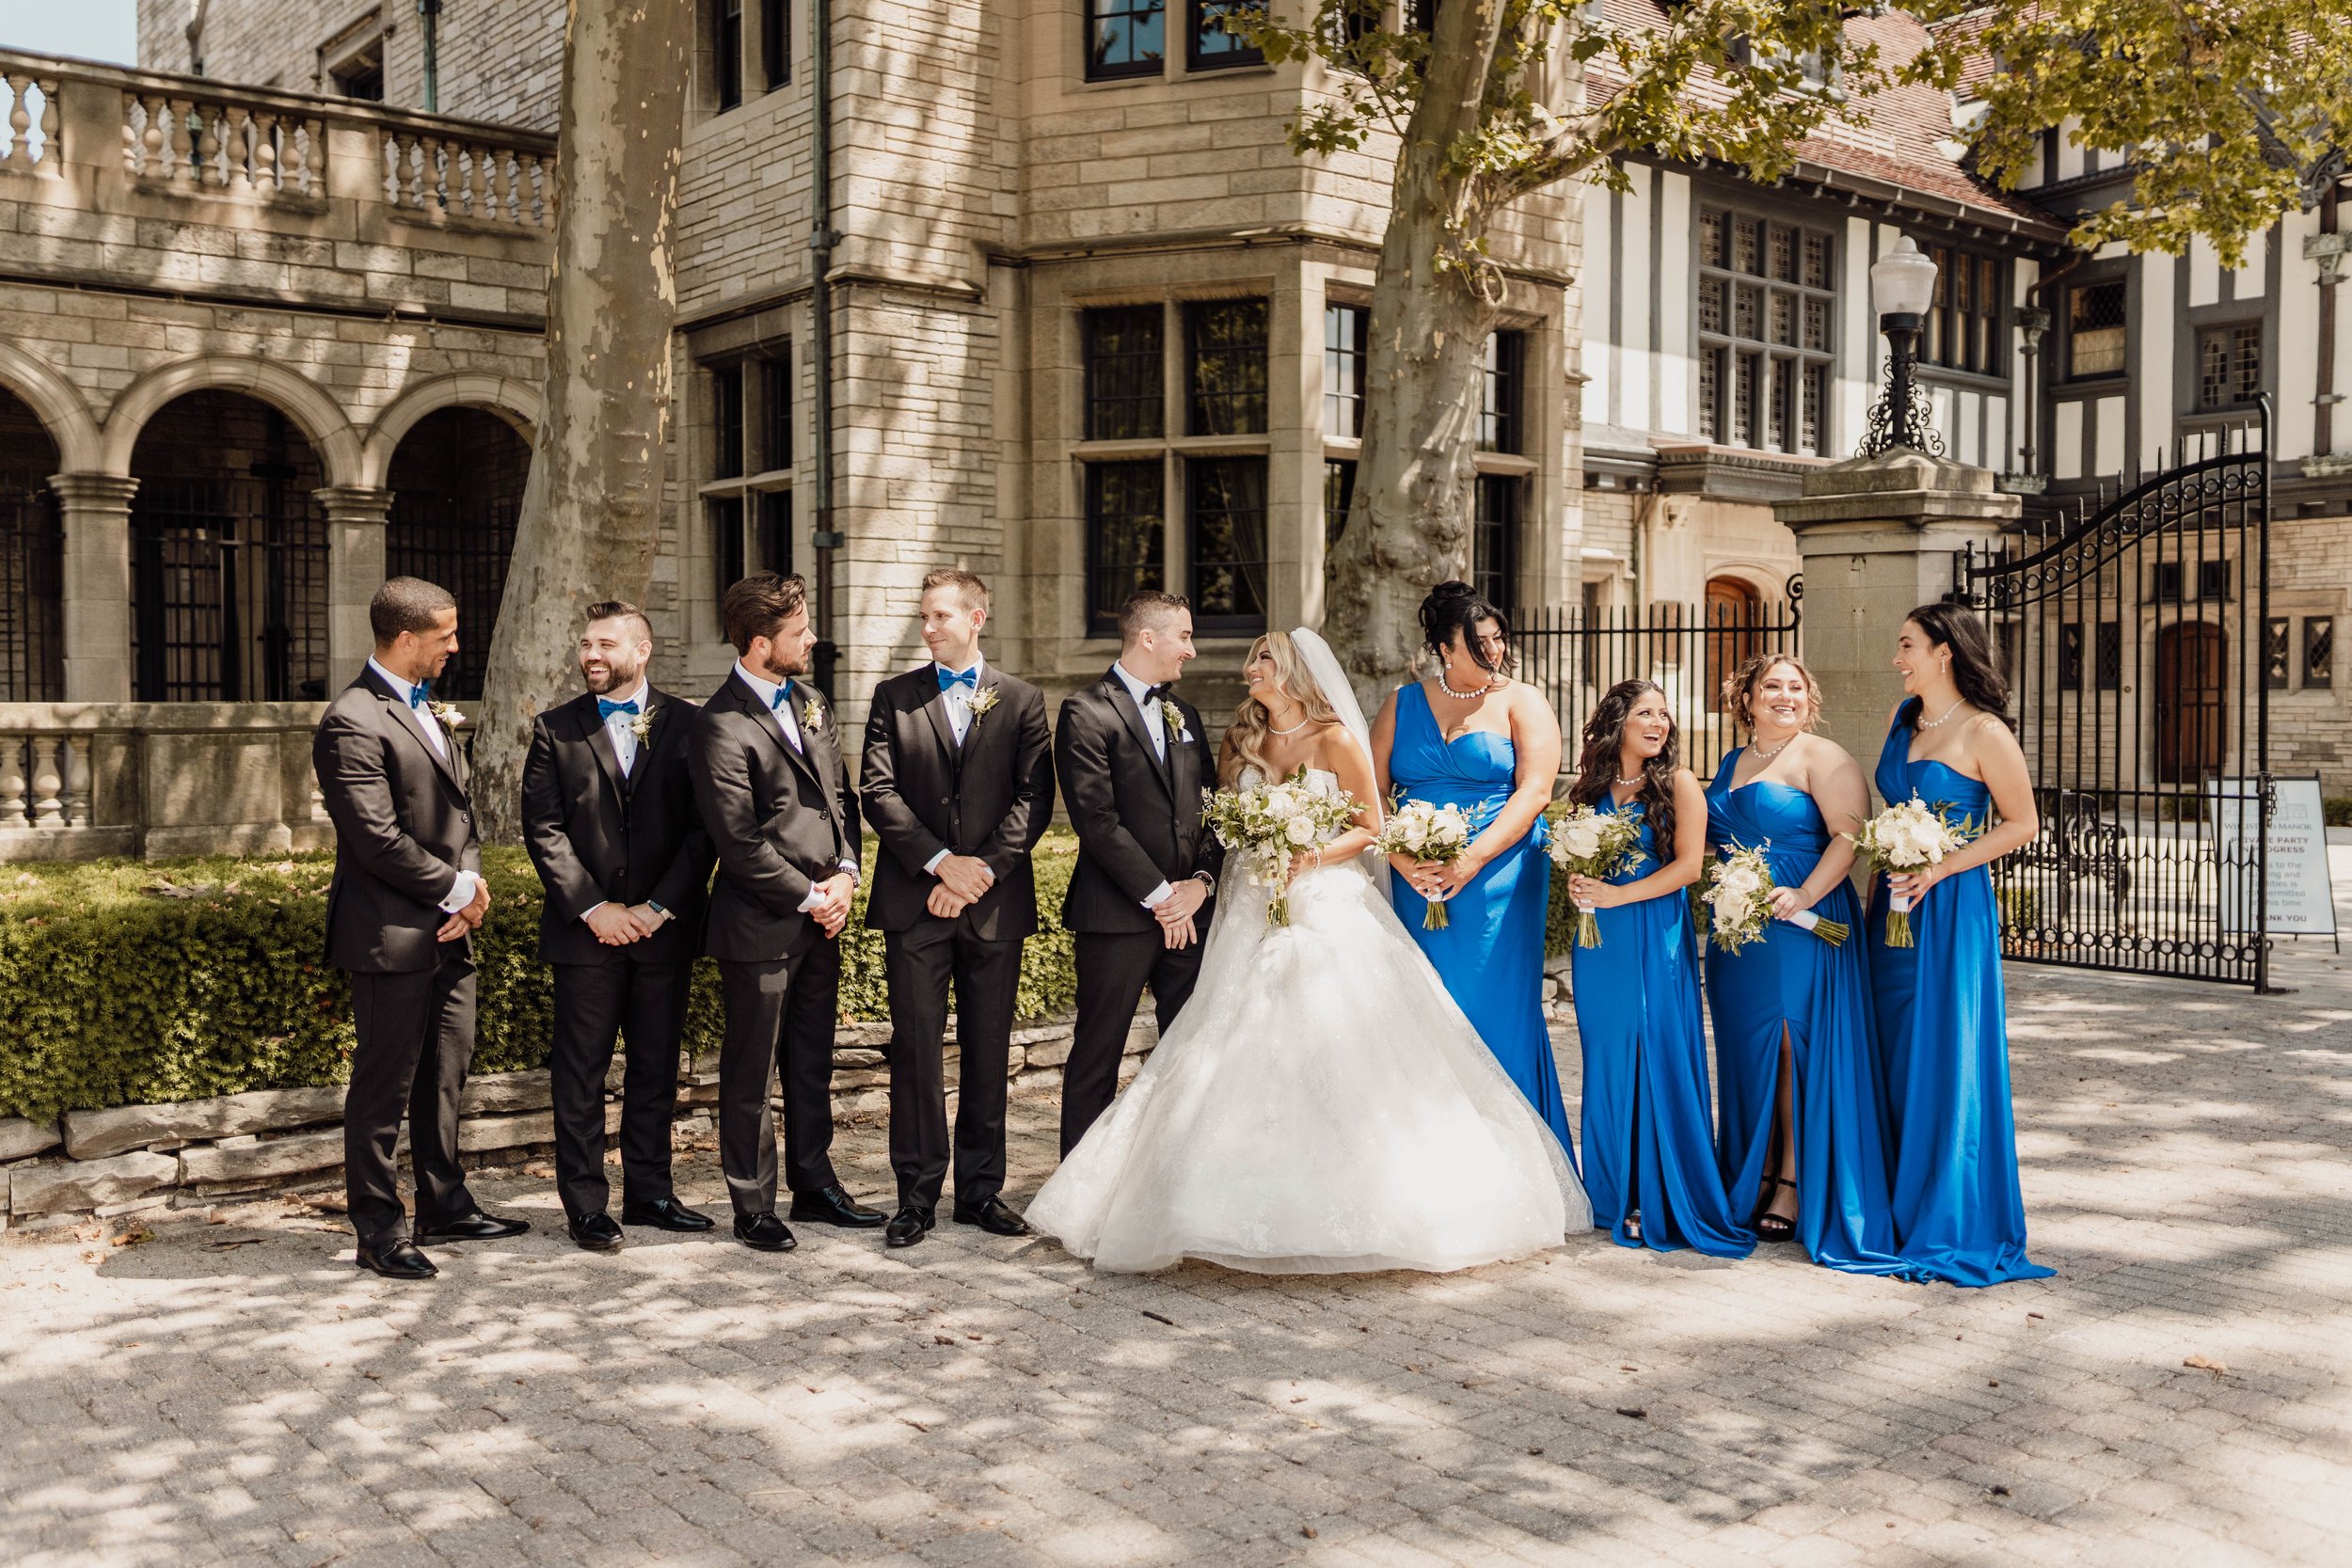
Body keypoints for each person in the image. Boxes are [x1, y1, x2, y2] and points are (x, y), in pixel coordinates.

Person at [1025, 629, 1589, 1274]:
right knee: (1224, 1040)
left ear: (1289, 669)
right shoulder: (1240, 739)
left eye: (1261, 658)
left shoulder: (1335, 739)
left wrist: (1309, 855)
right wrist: (1242, 854)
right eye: (1250, 657)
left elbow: (1369, 827)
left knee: (1335, 1037)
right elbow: (1217, 821)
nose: (1248, 669)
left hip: (1326, 902)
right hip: (1248, 906)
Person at [311, 578, 528, 1281]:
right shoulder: (351, 719)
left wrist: (469, 891)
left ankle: (445, 1202)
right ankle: (378, 1230)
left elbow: (458, 815)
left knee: (445, 1075)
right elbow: (375, 839)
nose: (456, 646)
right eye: (446, 635)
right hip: (390, 934)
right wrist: (456, 886)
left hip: (449, 929)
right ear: (406, 639)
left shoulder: (425, 707)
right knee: (383, 1087)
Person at [859, 568, 1056, 1249]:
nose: (929, 627)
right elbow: (877, 792)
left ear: (978, 617)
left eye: (941, 615)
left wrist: (979, 873)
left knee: (987, 1047)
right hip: (916, 902)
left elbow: (1035, 801)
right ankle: (915, 1196)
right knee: (915, 1049)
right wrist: (942, 863)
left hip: (994, 904)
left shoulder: (1024, 700)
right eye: (924, 616)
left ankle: (980, 1192)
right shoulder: (893, 696)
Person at [691, 573, 884, 1252]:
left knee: (812, 1060)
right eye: (799, 632)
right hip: (760, 923)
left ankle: (815, 1183)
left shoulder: (811, 701)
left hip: (822, 915)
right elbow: (738, 841)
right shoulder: (717, 724)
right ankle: (752, 1202)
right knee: (752, 1067)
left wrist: (849, 877)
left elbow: (842, 799)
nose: (811, 639)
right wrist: (809, 894)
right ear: (759, 641)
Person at [519, 601, 717, 1252]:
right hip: (586, 934)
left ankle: (652, 1192)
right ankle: (584, 1204)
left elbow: (704, 828)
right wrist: (593, 907)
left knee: (656, 1068)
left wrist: (659, 907)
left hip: (664, 931)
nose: (590, 655)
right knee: (580, 1073)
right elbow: (543, 829)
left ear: (642, 649)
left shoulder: (691, 725)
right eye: (584, 643)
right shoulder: (555, 729)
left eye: (604, 643)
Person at [1867, 603, 2054, 1287]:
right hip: (1890, 906)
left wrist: (1940, 864)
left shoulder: (1985, 730)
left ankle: (1945, 1213)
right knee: (1892, 1046)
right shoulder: (1903, 720)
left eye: (1907, 645)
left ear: (1944, 651)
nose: (1899, 658)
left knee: (1944, 1048)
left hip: (1951, 905)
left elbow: (2024, 824)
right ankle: (1892, 1201)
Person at [1702, 652, 1905, 1275]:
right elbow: (1714, 835)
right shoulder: (1733, 762)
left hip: (1802, 918)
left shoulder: (1825, 757)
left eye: (1794, 687)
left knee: (1793, 1043)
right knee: (1747, 1046)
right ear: (1749, 696)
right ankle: (1754, 1167)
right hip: (1740, 927)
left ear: (1809, 698)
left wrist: (1805, 895)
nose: (1783, 696)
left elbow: (1850, 836)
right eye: (1771, 685)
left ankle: (1791, 1177)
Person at [1371, 582, 1571, 1150]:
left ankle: (1517, 1151)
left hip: (1500, 873)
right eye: (1479, 644)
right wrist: (1405, 858)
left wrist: (1469, 859)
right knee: (1426, 1003)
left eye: (1499, 640)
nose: (1495, 652)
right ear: (1443, 648)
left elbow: (1535, 792)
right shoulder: (1401, 703)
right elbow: (1372, 793)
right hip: (1417, 878)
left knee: (1491, 1004)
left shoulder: (1522, 700)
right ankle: (1431, 1147)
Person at [1562, 681, 1753, 1259]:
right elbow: (1572, 851)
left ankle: (1656, 1193)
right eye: (1646, 712)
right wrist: (1577, 882)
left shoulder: (1678, 784)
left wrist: (1618, 897)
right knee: (1608, 1054)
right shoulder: (1590, 787)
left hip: (1652, 934)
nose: (1660, 722)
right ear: (1617, 720)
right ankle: (1608, 1190)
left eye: (1665, 714)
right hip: (1597, 942)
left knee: (1653, 1049)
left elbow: (1690, 867)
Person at [1050, 590, 1223, 1158]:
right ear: (1148, 638)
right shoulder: (1085, 711)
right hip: (1117, 915)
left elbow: (1214, 811)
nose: (1192, 651)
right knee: (1098, 1051)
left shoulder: (1186, 713)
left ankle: (1175, 1175)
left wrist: (1200, 884)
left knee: (1189, 1051)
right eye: (1185, 636)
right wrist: (1159, 897)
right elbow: (1096, 821)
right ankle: (1078, 1187)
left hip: (1189, 916)